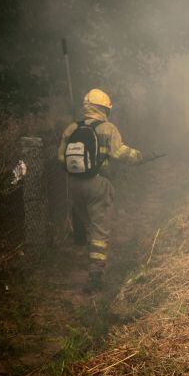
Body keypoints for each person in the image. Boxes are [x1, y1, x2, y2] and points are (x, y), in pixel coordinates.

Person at [58, 88, 151, 292]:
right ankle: (95, 277)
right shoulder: (108, 128)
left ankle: (83, 250)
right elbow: (120, 153)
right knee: (99, 231)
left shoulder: (71, 128)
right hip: (98, 185)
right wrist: (140, 157)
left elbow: (60, 159)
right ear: (103, 108)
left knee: (89, 226)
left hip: (73, 185)